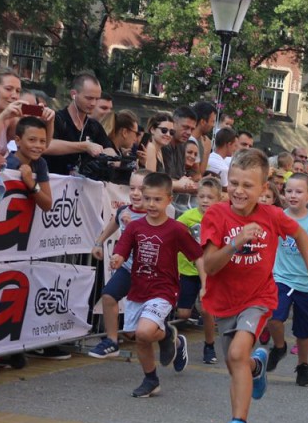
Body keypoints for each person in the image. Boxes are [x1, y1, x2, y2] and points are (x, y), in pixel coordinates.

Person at [201, 148, 308, 423]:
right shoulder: (216, 215)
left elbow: (301, 236)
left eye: (248, 185)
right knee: (237, 364)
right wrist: (235, 243)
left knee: (236, 354)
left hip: (259, 298)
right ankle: (258, 367)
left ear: (263, 188)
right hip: (224, 302)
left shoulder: (272, 215)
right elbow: (210, 265)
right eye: (234, 183)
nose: (239, 191)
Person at [111, 172, 196, 397]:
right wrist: (117, 257)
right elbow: (122, 248)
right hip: (139, 288)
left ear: (169, 200)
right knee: (135, 335)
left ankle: (166, 335)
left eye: (157, 199)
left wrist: (206, 285)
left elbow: (198, 256)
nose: (151, 204)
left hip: (164, 289)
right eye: (147, 198)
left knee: (145, 332)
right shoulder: (135, 227)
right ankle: (151, 379)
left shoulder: (176, 229)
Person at [265, 173, 308, 388]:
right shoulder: (278, 216)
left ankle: (303, 365)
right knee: (273, 317)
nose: (293, 195)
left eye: (299, 192)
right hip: (281, 278)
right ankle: (279, 347)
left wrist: (305, 249)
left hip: (307, 283)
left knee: (303, 332)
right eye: (289, 191)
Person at [88, 168, 153, 360]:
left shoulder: (154, 214)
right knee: (108, 296)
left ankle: (174, 340)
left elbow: (153, 242)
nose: (135, 193)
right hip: (128, 269)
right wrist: (99, 242)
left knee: (147, 328)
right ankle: (112, 341)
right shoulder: (124, 211)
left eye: (141, 189)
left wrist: (132, 227)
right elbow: (113, 223)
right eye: (132, 188)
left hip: (150, 273)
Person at [177, 176, 222, 364]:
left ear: (218, 199)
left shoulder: (221, 219)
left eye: (210, 197)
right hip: (188, 270)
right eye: (201, 196)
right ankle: (177, 341)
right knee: (183, 314)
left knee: (206, 310)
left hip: (210, 272)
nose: (205, 201)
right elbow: (173, 233)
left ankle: (209, 345)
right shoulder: (187, 217)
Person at [44, 71, 115, 176]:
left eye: (97, 99)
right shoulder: (56, 119)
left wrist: (113, 158)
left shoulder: (94, 126)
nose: (93, 103)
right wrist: (85, 146)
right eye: (89, 98)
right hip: (53, 182)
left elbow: (108, 149)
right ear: (73, 94)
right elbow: (46, 146)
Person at [6, 117, 54, 213]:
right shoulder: (6, 164)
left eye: (42, 141)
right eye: (32, 140)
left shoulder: (40, 163)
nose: (38, 145)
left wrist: (31, 183)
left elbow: (47, 205)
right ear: (17, 140)